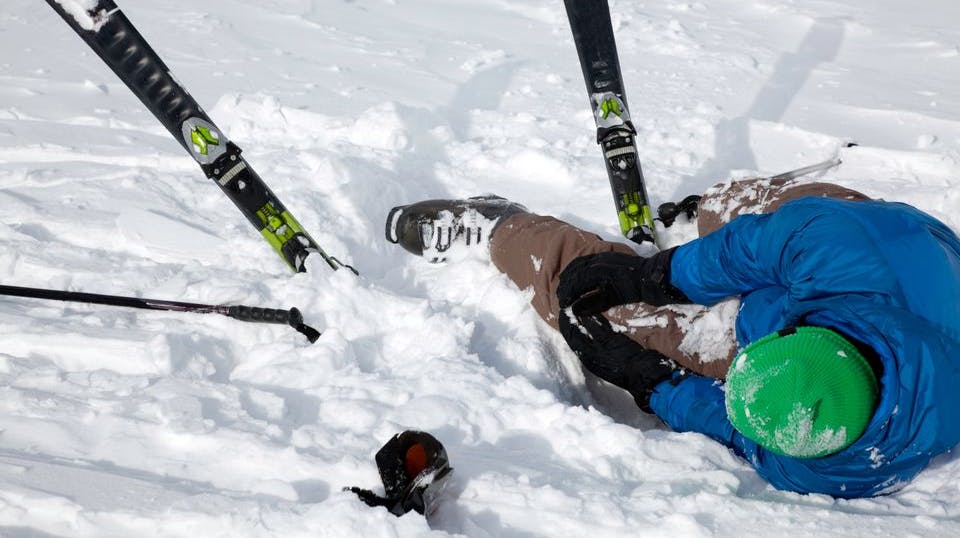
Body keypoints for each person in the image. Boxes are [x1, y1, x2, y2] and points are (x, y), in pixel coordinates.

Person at [383, 178, 960, 499]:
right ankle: (716, 207)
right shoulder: (836, 247)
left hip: (884, 268)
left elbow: (737, 430)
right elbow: (747, 252)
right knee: (745, 219)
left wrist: (653, 383)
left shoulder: (824, 461)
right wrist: (654, 276)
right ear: (800, 333)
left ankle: (502, 229)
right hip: (871, 237)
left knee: (605, 311)